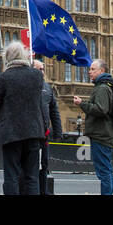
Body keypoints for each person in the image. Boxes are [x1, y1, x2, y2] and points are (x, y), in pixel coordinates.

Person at [0, 41, 47, 195]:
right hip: (33, 132)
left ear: (7, 58)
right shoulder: (37, 76)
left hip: (11, 134)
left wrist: (6, 113)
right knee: (32, 177)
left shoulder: (3, 77)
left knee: (11, 176)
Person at [74, 59, 113, 195]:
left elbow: (101, 109)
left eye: (93, 69)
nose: (89, 72)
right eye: (90, 69)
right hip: (103, 134)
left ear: (102, 71)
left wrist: (82, 104)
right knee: (105, 171)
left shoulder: (103, 88)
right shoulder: (104, 86)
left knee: (104, 172)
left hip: (101, 135)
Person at [35, 59, 62, 195]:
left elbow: (54, 111)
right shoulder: (27, 86)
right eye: (39, 69)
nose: (42, 71)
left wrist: (58, 132)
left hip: (43, 135)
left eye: (43, 69)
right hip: (29, 134)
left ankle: (44, 191)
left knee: (44, 166)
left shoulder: (47, 88)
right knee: (30, 168)